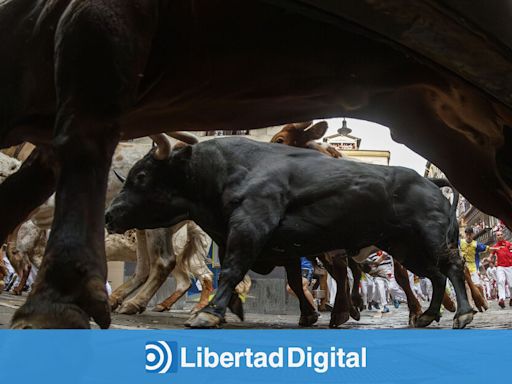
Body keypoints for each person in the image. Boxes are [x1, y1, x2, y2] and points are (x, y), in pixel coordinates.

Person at [460, 227, 491, 307]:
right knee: (467, 286)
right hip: (463, 267)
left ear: (473, 234)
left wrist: (496, 249)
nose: (468, 236)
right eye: (467, 234)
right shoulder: (460, 242)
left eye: (470, 234)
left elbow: (487, 248)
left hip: (473, 267)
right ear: (465, 234)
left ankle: (483, 299)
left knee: (477, 285)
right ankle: (470, 304)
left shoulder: (476, 244)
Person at [490, 231, 512, 308]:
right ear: (496, 237)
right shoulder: (495, 246)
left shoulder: (509, 244)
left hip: (510, 266)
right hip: (500, 267)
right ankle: (501, 299)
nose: (499, 236)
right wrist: (488, 259)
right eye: (498, 235)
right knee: (501, 281)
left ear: (503, 235)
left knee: (511, 284)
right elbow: (491, 255)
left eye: (501, 234)